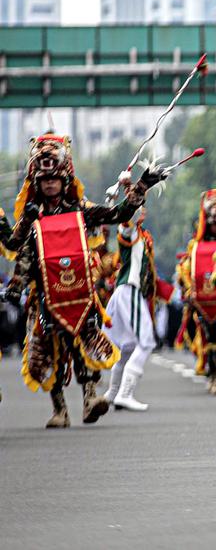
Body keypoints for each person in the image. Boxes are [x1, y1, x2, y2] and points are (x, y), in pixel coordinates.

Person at [3, 132, 163, 428]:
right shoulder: (32, 216)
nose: (50, 184)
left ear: (65, 181)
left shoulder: (81, 211)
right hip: (44, 295)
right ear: (37, 183)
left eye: (55, 179)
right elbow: (18, 249)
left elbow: (119, 213)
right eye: (44, 179)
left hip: (79, 292)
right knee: (45, 351)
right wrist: (15, 287)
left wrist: (142, 185)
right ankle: (59, 409)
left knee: (84, 342)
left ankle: (90, 397)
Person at [176, 189, 216, 395]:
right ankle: (215, 374)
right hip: (203, 299)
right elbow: (186, 271)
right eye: (214, 222)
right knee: (210, 338)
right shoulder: (196, 245)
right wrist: (189, 291)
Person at [104, 207, 159, 410]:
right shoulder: (129, 230)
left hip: (130, 292)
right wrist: (130, 208)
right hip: (129, 290)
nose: (141, 211)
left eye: (143, 208)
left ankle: (112, 393)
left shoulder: (142, 234)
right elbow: (126, 226)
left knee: (128, 347)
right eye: (137, 208)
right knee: (145, 341)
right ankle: (125, 394)